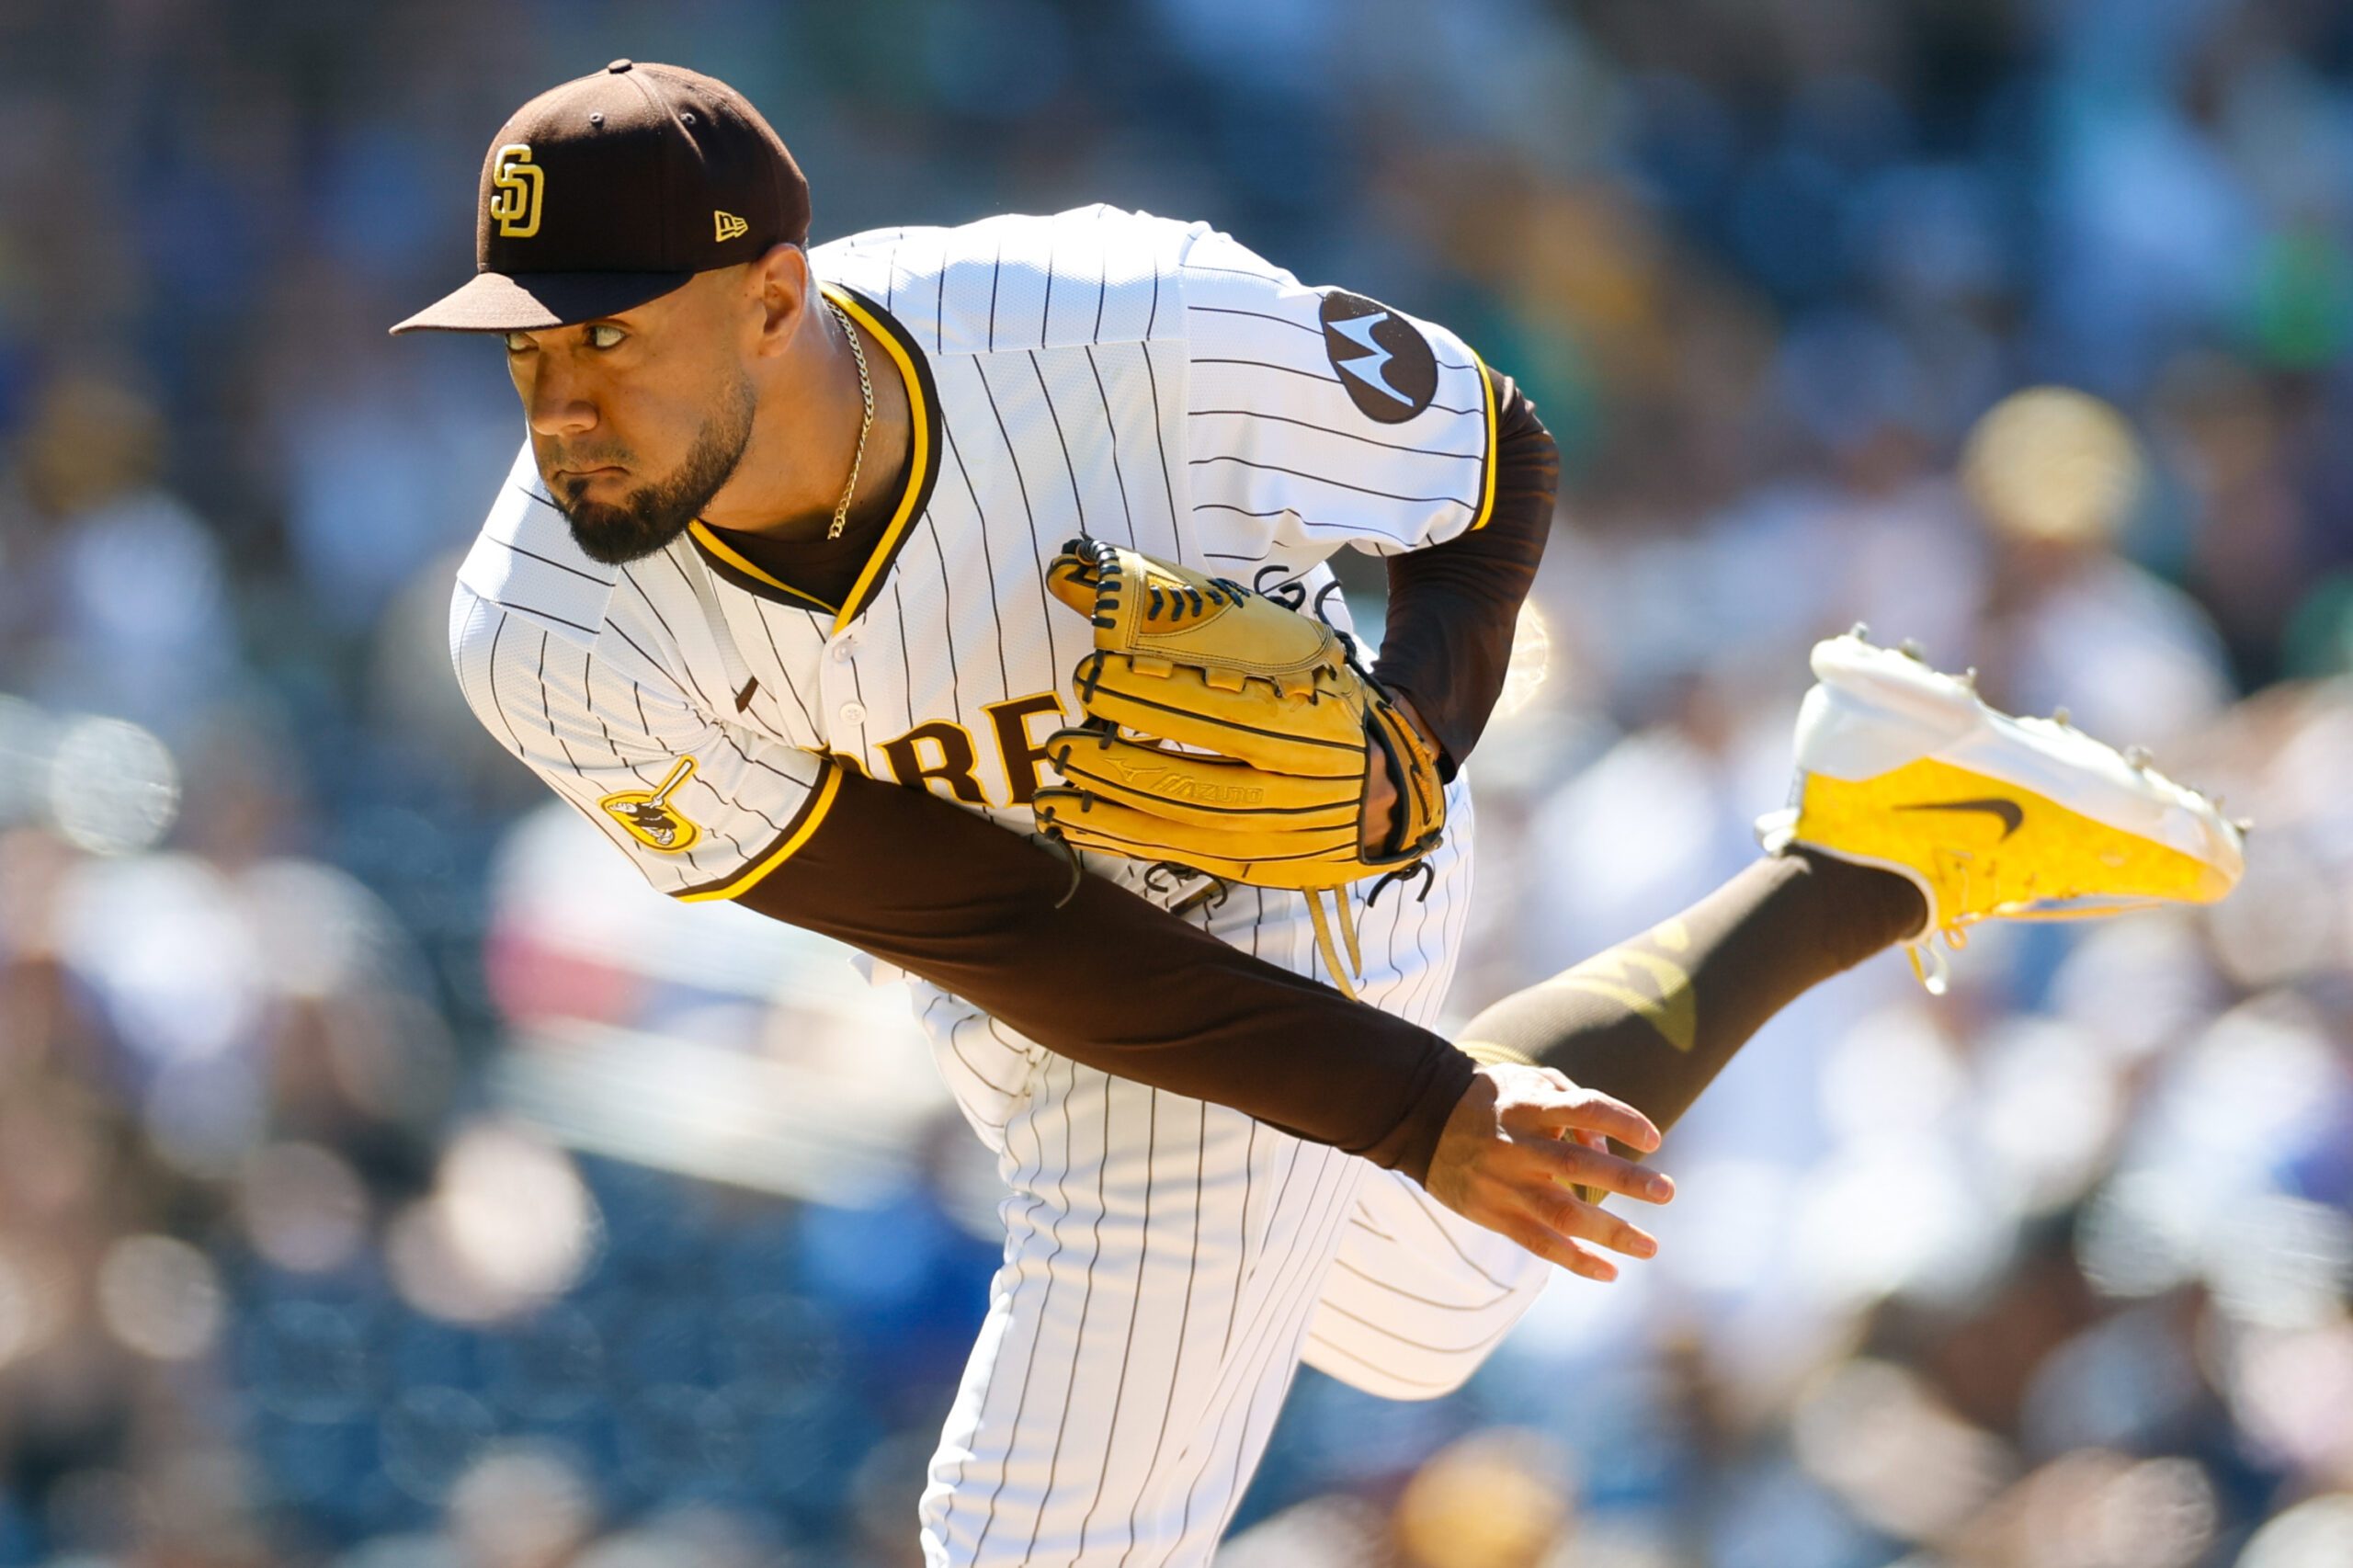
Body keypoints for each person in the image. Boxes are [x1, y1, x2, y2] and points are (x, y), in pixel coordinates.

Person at [393, 61, 2243, 1568]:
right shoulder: (547, 628)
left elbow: (1489, 454)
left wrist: (1413, 743)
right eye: (526, 353)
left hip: (1283, 847)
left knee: (1039, 1537)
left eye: (609, 340)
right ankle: (1869, 849)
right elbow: (1004, 928)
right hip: (1036, 966)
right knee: (1410, 1303)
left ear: (774, 296)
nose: (561, 404)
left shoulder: (1111, 324)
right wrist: (1425, 1111)